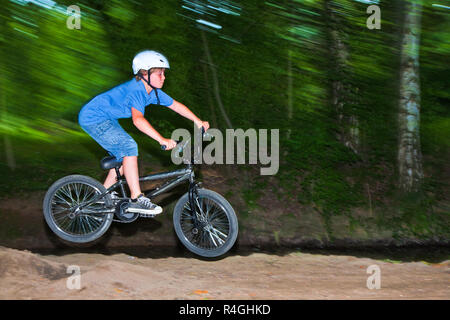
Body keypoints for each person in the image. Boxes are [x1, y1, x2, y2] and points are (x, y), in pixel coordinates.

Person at [78, 50, 209, 215]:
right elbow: (138, 120)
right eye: (160, 73)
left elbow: (175, 105)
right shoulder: (137, 90)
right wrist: (161, 139)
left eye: (164, 73)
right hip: (93, 118)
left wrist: (197, 120)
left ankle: (102, 194)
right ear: (144, 73)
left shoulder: (151, 92)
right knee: (128, 146)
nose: (164, 77)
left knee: (123, 156)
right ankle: (136, 198)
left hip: (106, 118)